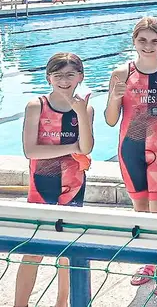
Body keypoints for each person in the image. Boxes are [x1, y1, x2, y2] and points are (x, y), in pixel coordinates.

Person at [105, 17, 157, 303]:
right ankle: (149, 262)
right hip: (129, 152)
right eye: (142, 40)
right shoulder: (120, 73)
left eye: (154, 41)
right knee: (140, 212)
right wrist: (114, 98)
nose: (148, 46)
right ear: (133, 41)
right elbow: (110, 120)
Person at [16, 53, 94, 307]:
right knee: (33, 251)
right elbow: (31, 151)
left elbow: (87, 148)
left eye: (70, 74)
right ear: (48, 77)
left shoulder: (85, 108)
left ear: (80, 77)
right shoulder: (36, 106)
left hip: (74, 187)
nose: (64, 80)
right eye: (58, 75)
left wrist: (81, 114)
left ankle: (62, 303)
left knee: (67, 252)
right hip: (41, 185)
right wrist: (72, 146)